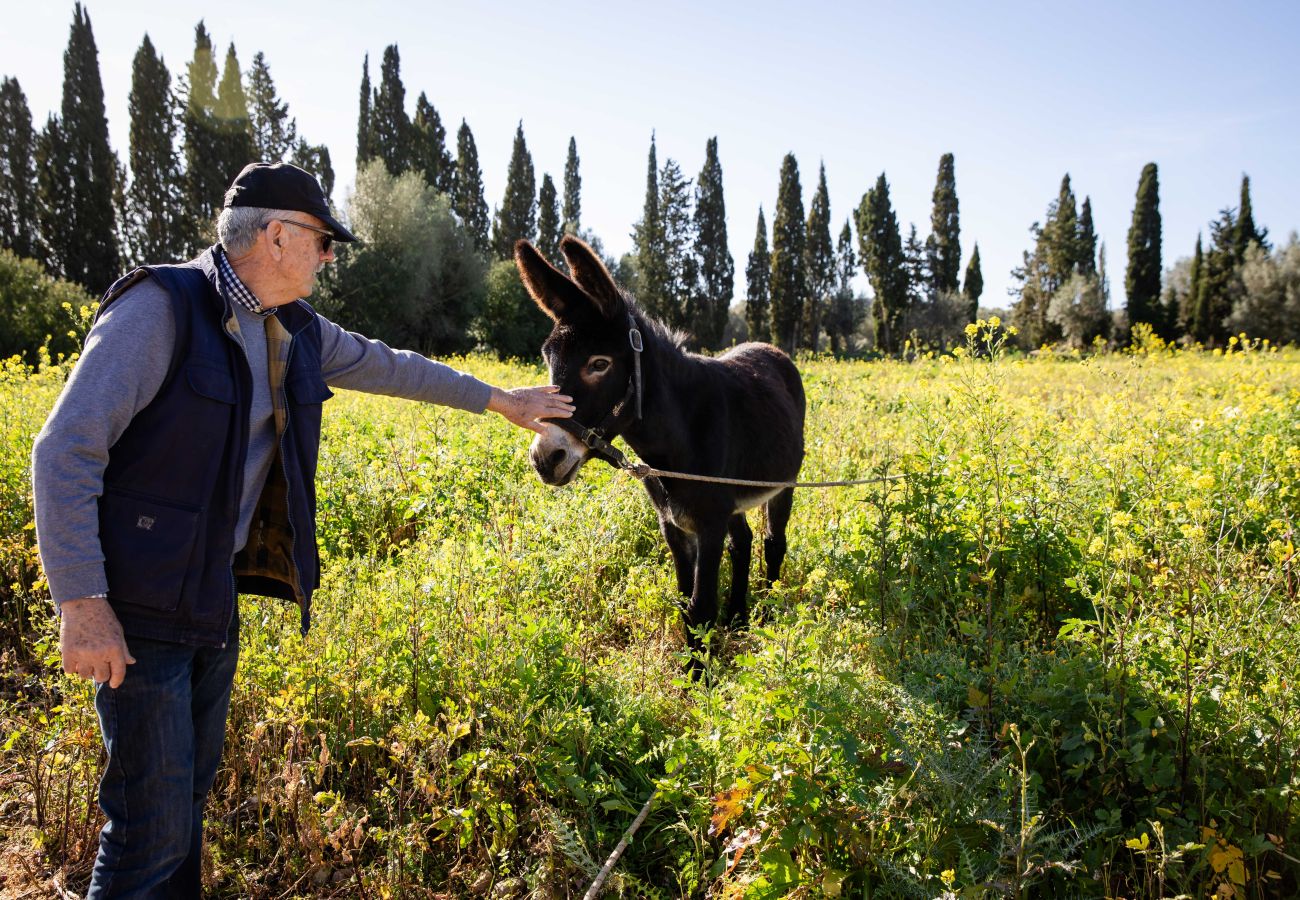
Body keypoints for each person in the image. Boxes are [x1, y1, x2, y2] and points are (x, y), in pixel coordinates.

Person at [30, 161, 573, 897]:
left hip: (208, 603)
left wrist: (498, 399)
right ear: (276, 236)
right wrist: (82, 603)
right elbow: (64, 450)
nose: (328, 256)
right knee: (146, 828)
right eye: (322, 240)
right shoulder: (160, 310)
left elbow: (395, 368)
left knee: (183, 810)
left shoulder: (293, 327)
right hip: (136, 612)